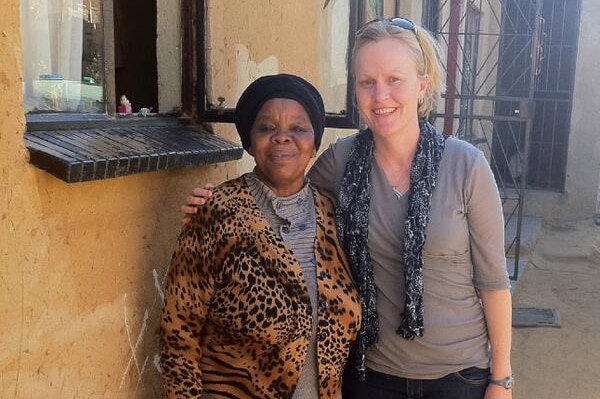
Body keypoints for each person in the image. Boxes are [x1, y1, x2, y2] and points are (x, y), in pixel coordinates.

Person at [182, 18, 513, 399]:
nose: (380, 96)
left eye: (394, 80)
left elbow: (493, 282)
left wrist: (500, 380)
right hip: (372, 376)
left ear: (422, 85)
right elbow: (282, 197)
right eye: (366, 82)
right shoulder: (340, 164)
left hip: (460, 377)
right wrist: (215, 207)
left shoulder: (466, 166)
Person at [161, 74, 361, 399]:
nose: (283, 138)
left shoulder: (334, 215)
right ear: (250, 142)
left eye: (298, 128)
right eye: (267, 128)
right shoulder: (217, 213)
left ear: (315, 143)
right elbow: (178, 330)